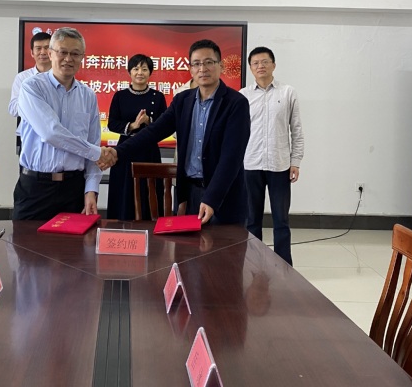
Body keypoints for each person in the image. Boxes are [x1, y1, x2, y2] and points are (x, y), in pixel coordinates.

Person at [113, 39, 250, 225]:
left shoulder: (236, 103)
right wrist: (117, 152)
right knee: (189, 244)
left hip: (223, 196)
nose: (202, 69)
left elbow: (232, 157)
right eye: (197, 64)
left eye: (209, 62)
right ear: (191, 69)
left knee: (223, 244)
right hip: (189, 194)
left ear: (221, 66)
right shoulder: (182, 101)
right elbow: (153, 131)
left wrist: (212, 198)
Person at [14, 27, 116, 220]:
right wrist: (97, 153)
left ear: (82, 58)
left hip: (73, 189)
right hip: (36, 187)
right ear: (50, 54)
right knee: (26, 239)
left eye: (75, 54)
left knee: (73, 241)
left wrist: (91, 189)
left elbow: (93, 141)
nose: (68, 59)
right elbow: (51, 133)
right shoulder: (31, 87)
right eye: (63, 52)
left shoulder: (88, 95)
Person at [240, 46, 304, 266]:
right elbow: (237, 133)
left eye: (265, 61)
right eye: (255, 63)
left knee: (281, 220)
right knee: (251, 220)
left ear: (273, 65)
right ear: (251, 68)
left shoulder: (287, 93)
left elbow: (296, 130)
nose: (261, 66)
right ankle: (253, 265)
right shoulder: (243, 96)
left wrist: (295, 161)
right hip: (251, 164)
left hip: (280, 165)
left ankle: (283, 266)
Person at [106, 54, 167, 220]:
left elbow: (165, 125)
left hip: (149, 150)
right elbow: (112, 123)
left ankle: (150, 224)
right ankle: (122, 224)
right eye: (136, 69)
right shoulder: (120, 96)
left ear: (150, 73)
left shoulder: (158, 97)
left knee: (149, 190)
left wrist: (149, 121)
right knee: (125, 189)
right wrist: (133, 125)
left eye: (144, 69)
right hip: (125, 150)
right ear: (129, 72)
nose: (140, 72)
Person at [8, 31, 52, 117]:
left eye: (47, 48)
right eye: (38, 48)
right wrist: (34, 99)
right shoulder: (22, 77)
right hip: (30, 125)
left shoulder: (61, 77)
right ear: (32, 53)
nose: (43, 52)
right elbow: (13, 109)